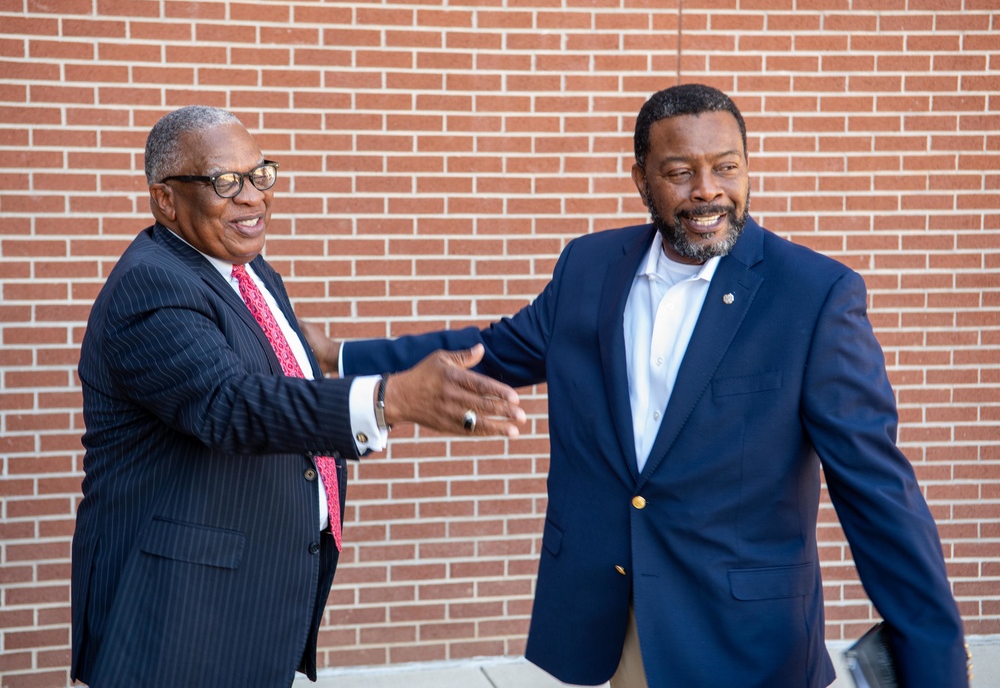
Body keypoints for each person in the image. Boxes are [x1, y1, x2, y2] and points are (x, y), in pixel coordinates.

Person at [316, 84, 968, 687]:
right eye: (680, 171)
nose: (708, 190)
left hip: (745, 635)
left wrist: (932, 660)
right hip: (621, 615)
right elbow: (493, 349)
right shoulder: (591, 266)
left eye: (727, 167)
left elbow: (878, 490)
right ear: (642, 180)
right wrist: (333, 355)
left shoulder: (815, 296)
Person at [71, 105, 525, 688]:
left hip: (250, 595)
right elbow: (229, 404)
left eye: (260, 175)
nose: (252, 198)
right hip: (178, 614)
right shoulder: (152, 284)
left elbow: (284, 388)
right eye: (224, 182)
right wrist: (388, 400)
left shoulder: (252, 273)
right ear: (165, 200)